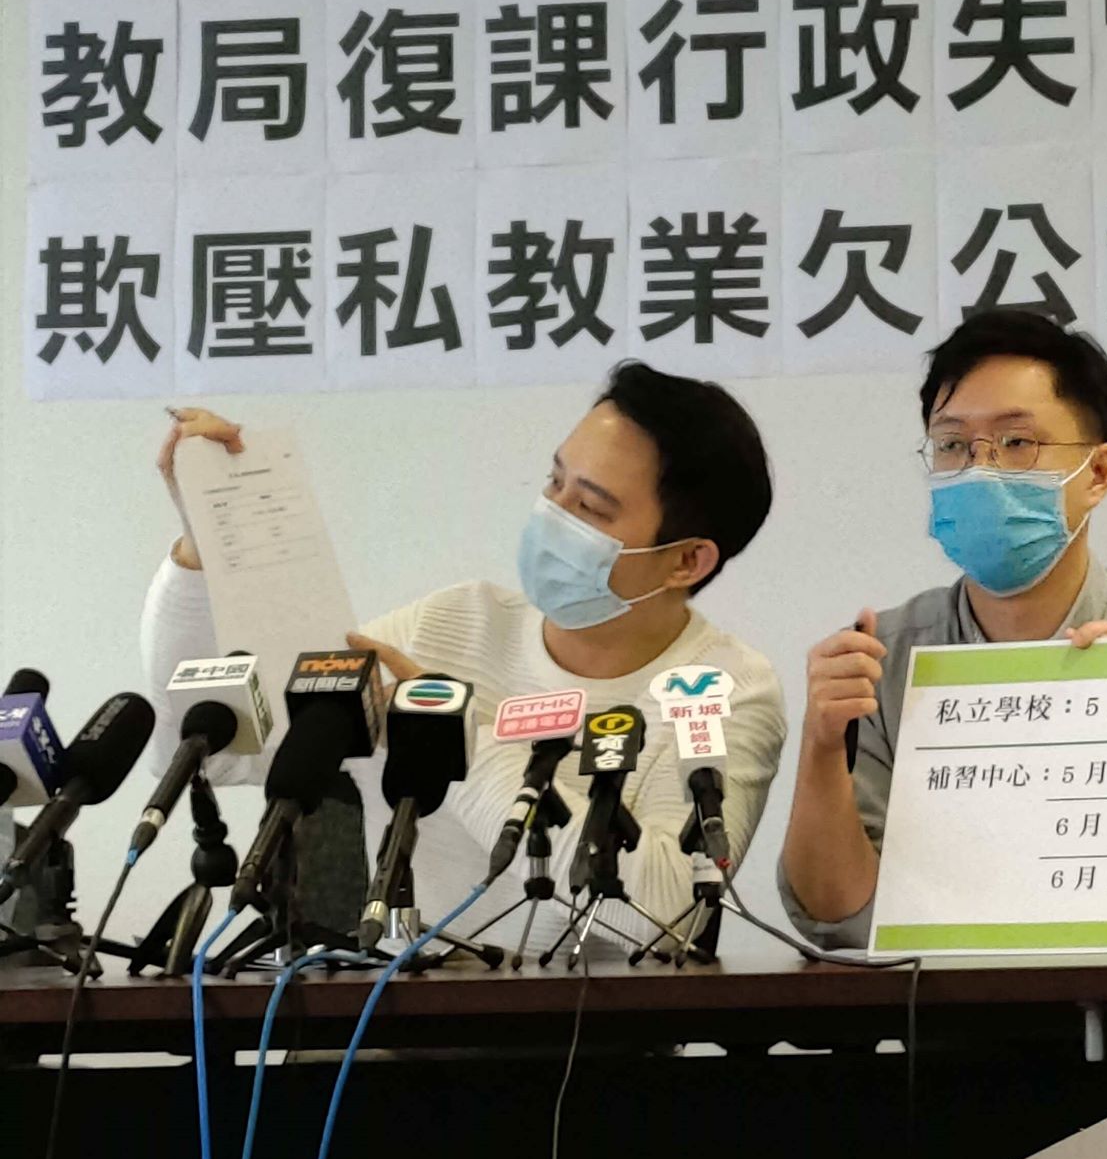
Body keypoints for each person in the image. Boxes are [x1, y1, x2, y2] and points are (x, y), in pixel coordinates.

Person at [141, 362, 784, 952]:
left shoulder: (721, 689)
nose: (552, 513)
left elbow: (665, 917)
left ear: (686, 560)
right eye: (554, 481)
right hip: (400, 1006)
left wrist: (457, 738)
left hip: (596, 1030)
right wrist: (205, 548)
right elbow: (218, 748)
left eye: (590, 507)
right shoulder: (453, 624)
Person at [777, 312, 1107, 948]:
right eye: (952, 445)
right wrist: (823, 745)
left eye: (1016, 443)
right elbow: (836, 917)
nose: (979, 470)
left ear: (1097, 474)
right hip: (935, 1004)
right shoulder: (883, 661)